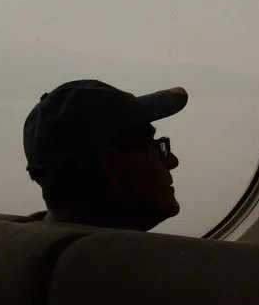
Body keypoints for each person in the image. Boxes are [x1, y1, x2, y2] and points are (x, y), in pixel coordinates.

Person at [21, 79, 186, 230]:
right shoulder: (133, 254)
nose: (172, 161)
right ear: (113, 166)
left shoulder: (24, 242)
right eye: (157, 149)